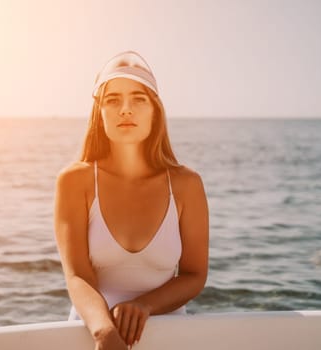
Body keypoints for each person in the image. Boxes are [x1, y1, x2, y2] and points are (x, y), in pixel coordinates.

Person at [54, 51, 209, 350]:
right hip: (92, 337)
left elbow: (194, 274)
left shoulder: (186, 184)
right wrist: (104, 331)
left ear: (155, 111)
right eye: (113, 100)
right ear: (99, 112)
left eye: (138, 98)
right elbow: (77, 276)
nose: (125, 109)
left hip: (171, 336)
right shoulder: (75, 181)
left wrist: (144, 306)